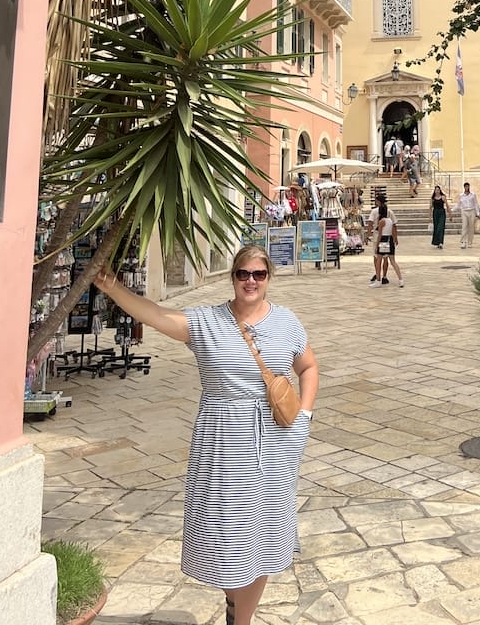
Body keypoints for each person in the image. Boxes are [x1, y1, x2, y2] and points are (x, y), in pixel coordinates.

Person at [93, 245, 318, 625]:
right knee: (228, 532)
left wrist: (305, 416)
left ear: (268, 279)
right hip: (224, 442)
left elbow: (309, 366)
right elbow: (153, 313)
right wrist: (109, 284)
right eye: (243, 274)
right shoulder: (206, 321)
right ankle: (235, 601)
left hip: (276, 443)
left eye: (258, 275)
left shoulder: (287, 322)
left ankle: (241, 619)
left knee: (261, 532)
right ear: (232, 277)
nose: (250, 281)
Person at [367, 193, 396, 284]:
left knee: (376, 256)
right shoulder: (390, 211)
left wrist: (367, 234)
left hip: (377, 235)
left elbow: (370, 223)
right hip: (387, 235)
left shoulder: (374, 211)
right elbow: (394, 225)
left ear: (378, 202)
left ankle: (377, 274)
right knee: (385, 257)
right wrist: (395, 237)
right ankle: (384, 276)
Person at [373, 203, 404, 287]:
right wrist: (395, 239)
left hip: (383, 240)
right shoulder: (390, 220)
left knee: (379, 260)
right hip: (390, 240)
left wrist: (376, 245)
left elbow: (379, 234)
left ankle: (378, 280)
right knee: (393, 261)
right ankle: (401, 279)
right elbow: (393, 230)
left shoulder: (381, 221)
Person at [456, 181, 480, 250]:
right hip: (464, 211)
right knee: (464, 226)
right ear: (464, 187)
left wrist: (477, 213)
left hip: (471, 211)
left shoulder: (473, 195)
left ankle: (470, 242)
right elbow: (458, 204)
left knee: (471, 227)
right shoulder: (461, 195)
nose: (467, 188)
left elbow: (476, 204)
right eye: (465, 186)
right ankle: (463, 242)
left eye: (468, 186)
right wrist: (452, 210)